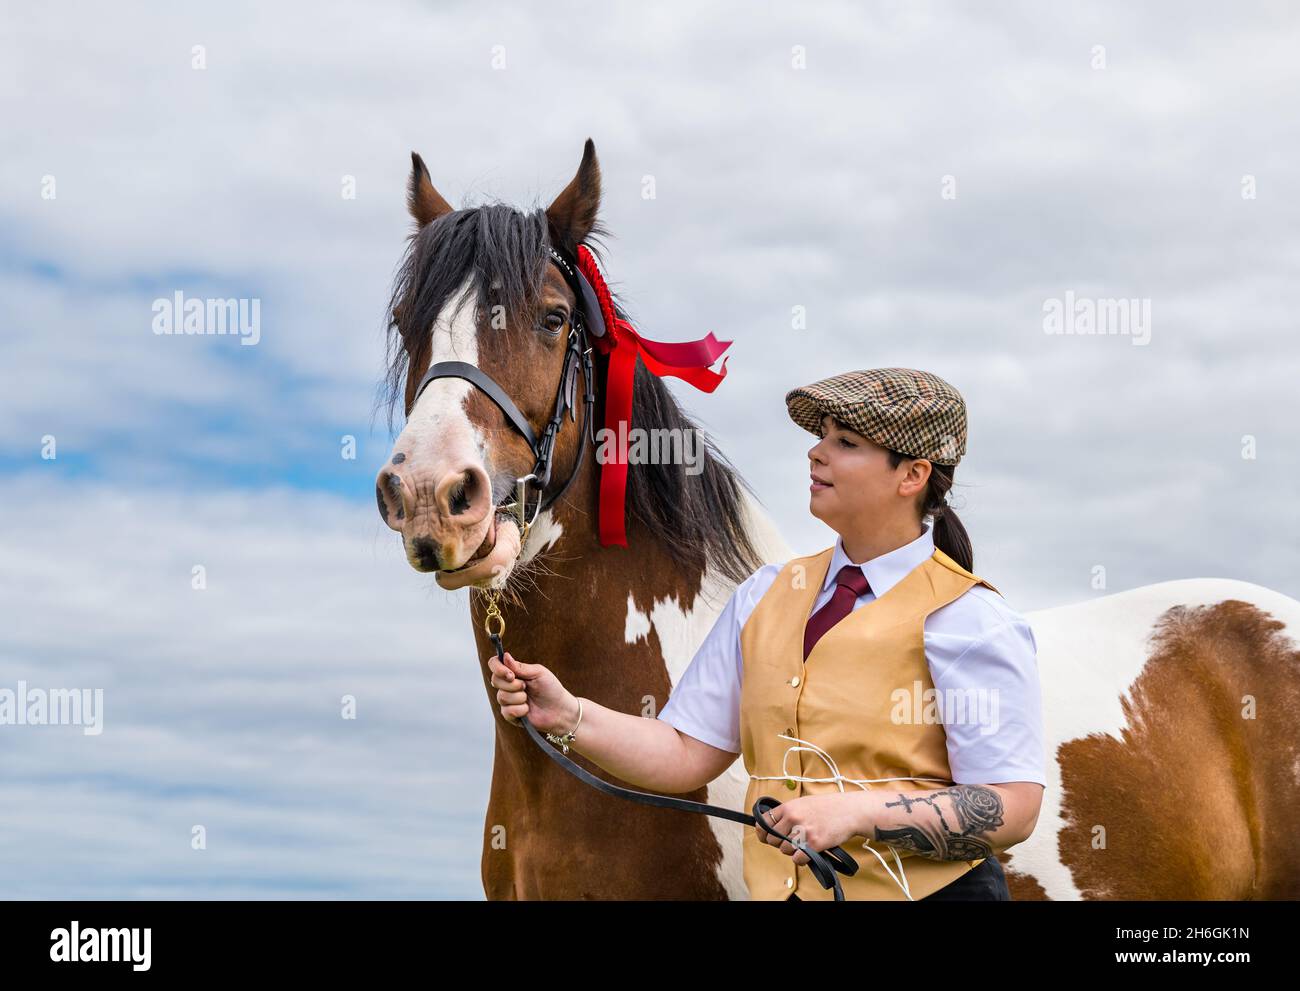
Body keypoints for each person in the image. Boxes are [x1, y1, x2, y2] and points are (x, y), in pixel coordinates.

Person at [488, 367, 1046, 900]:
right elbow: (684, 751)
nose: (816, 451)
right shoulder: (763, 594)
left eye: (846, 442)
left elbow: (1014, 807)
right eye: (821, 435)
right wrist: (568, 715)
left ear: (912, 475)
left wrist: (855, 814)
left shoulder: (971, 619)